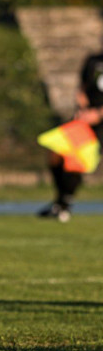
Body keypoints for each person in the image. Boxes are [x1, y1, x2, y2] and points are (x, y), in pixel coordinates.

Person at [39, 48, 103, 222]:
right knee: (57, 152)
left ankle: (63, 205)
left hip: (99, 122)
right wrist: (82, 106)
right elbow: (82, 86)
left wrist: (97, 114)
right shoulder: (93, 60)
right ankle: (61, 203)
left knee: (76, 161)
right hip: (84, 118)